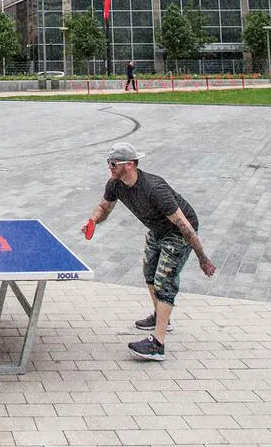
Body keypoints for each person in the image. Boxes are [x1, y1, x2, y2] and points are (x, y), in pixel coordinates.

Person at [81, 141, 216, 362]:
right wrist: (93, 220)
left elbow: (184, 225)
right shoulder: (115, 184)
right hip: (157, 230)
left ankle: (158, 345)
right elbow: (104, 207)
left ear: (130, 165)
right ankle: (161, 317)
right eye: (109, 162)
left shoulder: (155, 189)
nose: (110, 166)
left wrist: (203, 258)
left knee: (165, 281)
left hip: (179, 233)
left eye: (114, 163)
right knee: (149, 273)